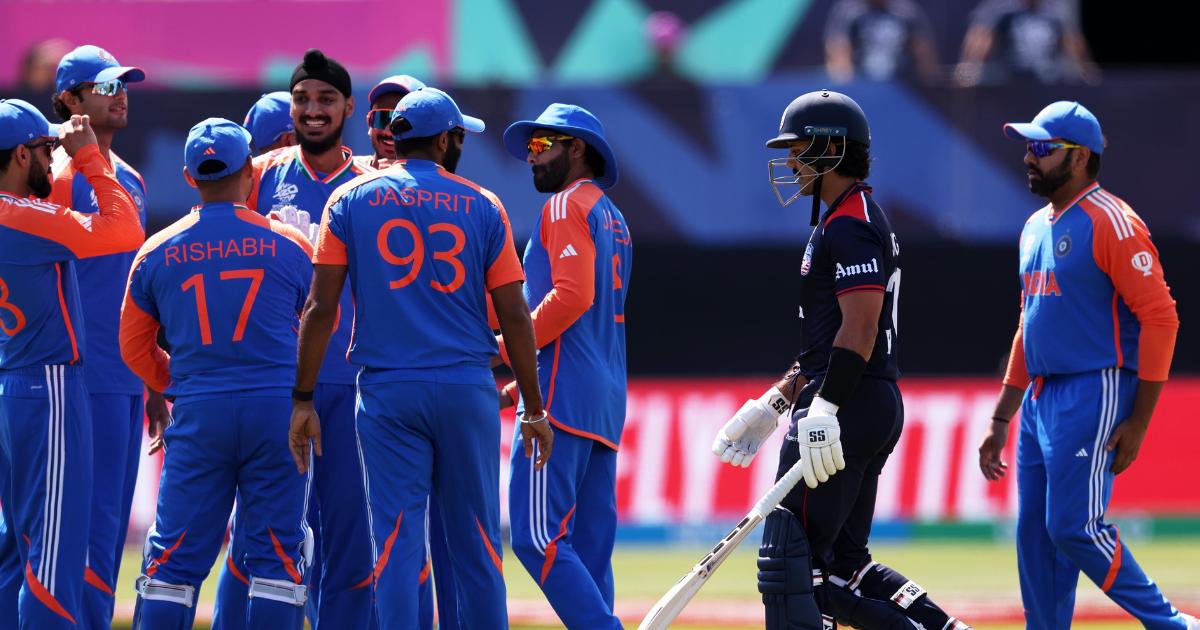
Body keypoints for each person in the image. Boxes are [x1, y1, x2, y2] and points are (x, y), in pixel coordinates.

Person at [288, 86, 552, 629]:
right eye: (460, 136)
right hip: (465, 389)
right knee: (478, 544)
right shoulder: (483, 203)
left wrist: (303, 398)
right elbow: (514, 313)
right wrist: (533, 406)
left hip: (386, 392)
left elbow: (320, 307)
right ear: (447, 140)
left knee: (395, 546)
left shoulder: (348, 200)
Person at [711, 90, 968, 630]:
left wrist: (825, 407)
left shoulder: (850, 224)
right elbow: (827, 341)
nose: (788, 161)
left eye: (797, 147)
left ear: (830, 149)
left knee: (792, 565)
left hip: (848, 403)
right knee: (845, 568)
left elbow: (861, 328)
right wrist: (775, 402)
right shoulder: (845, 218)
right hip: (862, 399)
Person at [979, 101, 1198, 629]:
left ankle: (1174, 624)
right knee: (1035, 534)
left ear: (1079, 158)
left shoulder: (1113, 221)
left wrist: (1140, 420)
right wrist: (1002, 417)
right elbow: (1029, 325)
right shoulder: (1034, 226)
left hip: (1093, 388)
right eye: (1029, 147)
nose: (1029, 158)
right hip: (1040, 399)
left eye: (1042, 148)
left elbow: (1161, 318)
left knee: (1073, 527)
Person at [121, 118, 313, 629]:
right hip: (276, 411)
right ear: (250, 169)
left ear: (189, 177)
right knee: (278, 561)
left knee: (172, 565)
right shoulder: (290, 242)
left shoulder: (156, 250)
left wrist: (176, 383)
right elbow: (324, 325)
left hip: (200, 411)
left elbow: (133, 347)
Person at [212, 48, 376, 630]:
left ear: (348, 107)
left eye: (326, 99)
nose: (313, 110)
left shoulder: (373, 186)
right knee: (258, 536)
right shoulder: (260, 176)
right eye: (302, 99)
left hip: (351, 382)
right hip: (275, 384)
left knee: (352, 539)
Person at [0, 103, 142, 628]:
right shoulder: (25, 218)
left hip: (13, 384)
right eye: (44, 150)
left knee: (20, 550)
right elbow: (124, 229)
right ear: (21, 155)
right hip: (50, 387)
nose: (50, 159)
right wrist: (87, 157)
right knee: (54, 561)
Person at [498, 103, 630, 630]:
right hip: (604, 399)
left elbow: (572, 298)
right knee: (590, 551)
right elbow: (592, 320)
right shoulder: (613, 216)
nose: (530, 158)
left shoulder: (564, 205)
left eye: (539, 145)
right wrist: (516, 386)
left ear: (576, 149)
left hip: (560, 398)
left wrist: (506, 349)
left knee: (536, 537)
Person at [46, 44, 165, 628]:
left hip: (123, 379)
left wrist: (153, 378)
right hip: (71, 377)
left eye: (124, 85)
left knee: (109, 531)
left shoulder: (130, 178)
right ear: (71, 100)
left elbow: (133, 287)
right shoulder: (55, 175)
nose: (120, 96)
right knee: (71, 530)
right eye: (106, 87)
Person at [955, 0, 1099, 87]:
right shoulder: (1003, 9)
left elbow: (1072, 40)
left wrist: (1085, 67)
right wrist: (970, 66)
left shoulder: (1055, 11)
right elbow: (982, 36)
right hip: (1011, 80)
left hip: (1048, 80)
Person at [824, 0, 940, 84]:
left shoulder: (906, 11)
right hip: (861, 83)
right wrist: (845, 80)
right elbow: (838, 48)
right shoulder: (849, 11)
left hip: (902, 85)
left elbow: (922, 49)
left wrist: (927, 79)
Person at [359, 74, 426, 170]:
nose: (388, 132)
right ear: (369, 121)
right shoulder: (344, 171)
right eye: (381, 118)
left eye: (402, 122)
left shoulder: (438, 179)